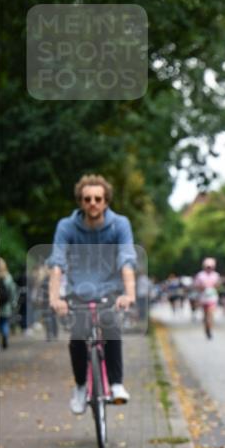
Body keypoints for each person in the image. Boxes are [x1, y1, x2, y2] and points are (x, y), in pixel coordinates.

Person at [47, 174, 137, 414]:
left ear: (106, 201)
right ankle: (80, 387)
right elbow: (57, 263)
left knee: (111, 326)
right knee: (77, 336)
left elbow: (127, 259)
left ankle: (116, 384)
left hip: (110, 289)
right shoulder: (66, 226)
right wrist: (54, 298)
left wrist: (129, 294)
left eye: (98, 198)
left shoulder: (120, 224)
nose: (93, 203)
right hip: (78, 290)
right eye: (87, 199)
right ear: (80, 202)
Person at [193, 258, 222, 339]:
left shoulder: (216, 275)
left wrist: (215, 285)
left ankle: (209, 328)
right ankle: (206, 328)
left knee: (211, 313)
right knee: (205, 315)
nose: (209, 268)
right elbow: (196, 285)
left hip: (212, 297)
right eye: (207, 267)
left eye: (210, 267)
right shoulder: (200, 275)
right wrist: (202, 287)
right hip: (203, 297)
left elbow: (218, 285)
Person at [0, 257, 18, 349]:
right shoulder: (8, 277)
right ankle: (5, 336)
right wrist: (13, 303)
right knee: (4, 323)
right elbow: (12, 291)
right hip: (6, 306)